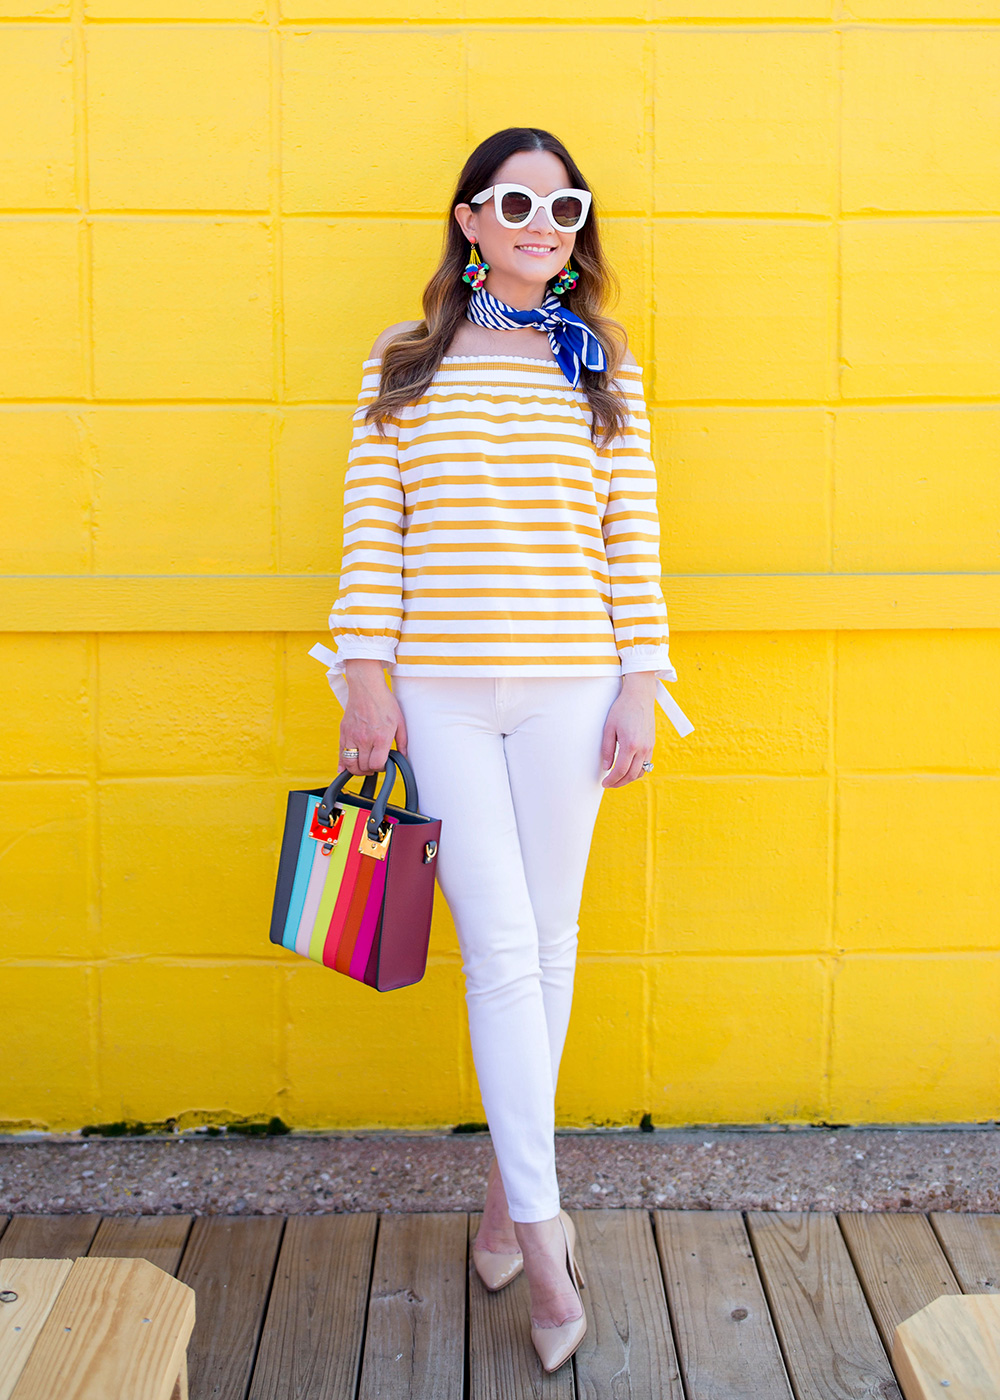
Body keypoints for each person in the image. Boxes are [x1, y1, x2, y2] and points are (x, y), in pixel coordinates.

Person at [317, 127, 680, 1373]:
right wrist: (363, 678)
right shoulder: (405, 363)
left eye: (564, 204)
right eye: (516, 200)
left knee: (551, 939)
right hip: (442, 697)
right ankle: (542, 1231)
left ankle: (494, 1195)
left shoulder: (601, 368)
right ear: (469, 217)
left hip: (576, 689)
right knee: (501, 944)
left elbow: (631, 540)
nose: (543, 220)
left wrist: (643, 681)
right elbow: (372, 535)